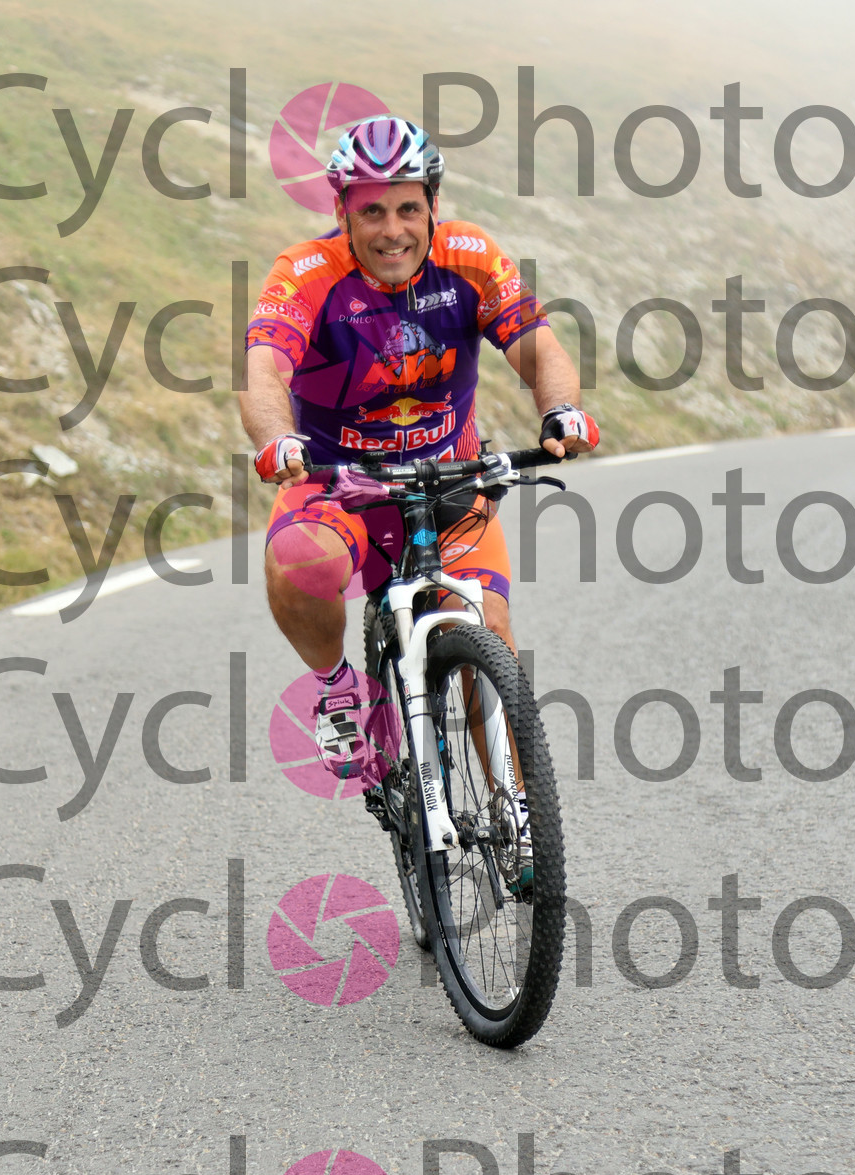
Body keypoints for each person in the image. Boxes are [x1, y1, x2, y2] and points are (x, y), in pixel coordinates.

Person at [240, 116, 600, 779]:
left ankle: (523, 822)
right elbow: (264, 370)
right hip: (339, 485)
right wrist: (275, 440)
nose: (392, 230)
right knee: (296, 563)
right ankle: (338, 687)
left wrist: (560, 409)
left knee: (485, 630)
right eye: (371, 212)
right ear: (342, 212)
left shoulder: (469, 256)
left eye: (408, 208)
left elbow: (538, 349)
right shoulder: (307, 273)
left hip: (449, 483)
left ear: (433, 204)